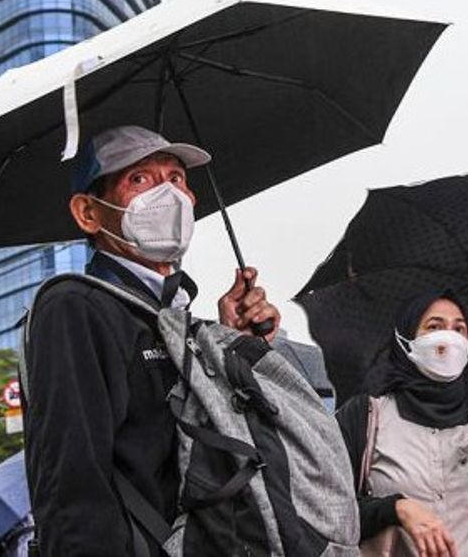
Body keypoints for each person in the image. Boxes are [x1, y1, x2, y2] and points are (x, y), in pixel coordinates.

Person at [23, 125, 281, 556]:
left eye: (176, 179)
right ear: (89, 212)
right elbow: (72, 481)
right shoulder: (75, 309)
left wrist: (233, 346)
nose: (168, 195)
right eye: (139, 179)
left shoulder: (178, 319)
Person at [335, 291, 468, 557]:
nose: (449, 338)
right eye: (434, 327)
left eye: (459, 329)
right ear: (406, 339)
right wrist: (396, 510)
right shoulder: (365, 418)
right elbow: (328, 510)